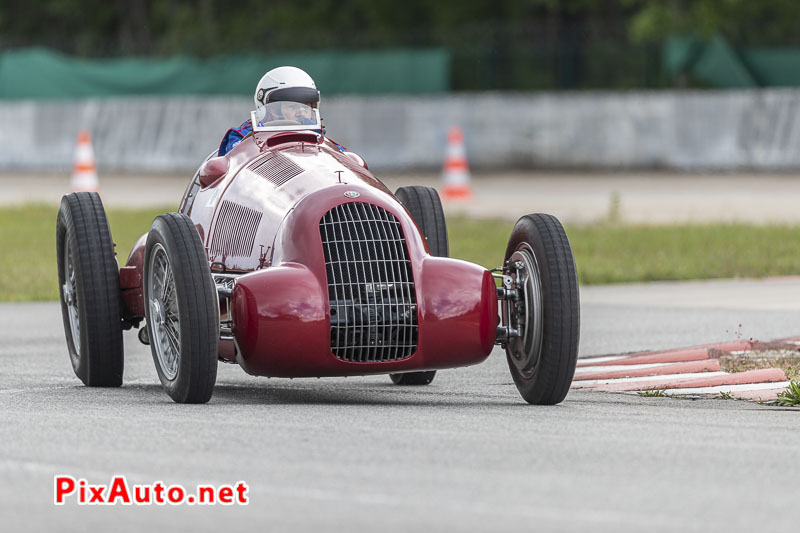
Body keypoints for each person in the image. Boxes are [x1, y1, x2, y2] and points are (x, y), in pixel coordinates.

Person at [217, 66, 322, 156]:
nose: (302, 113)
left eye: (306, 106)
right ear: (273, 110)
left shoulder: (320, 139)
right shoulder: (242, 136)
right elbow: (234, 163)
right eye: (292, 106)